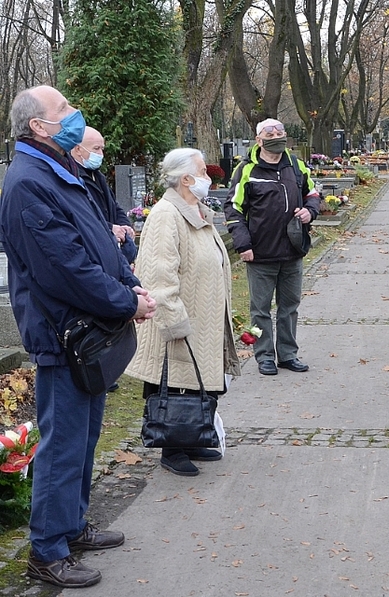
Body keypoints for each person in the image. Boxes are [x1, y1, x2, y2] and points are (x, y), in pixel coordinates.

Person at [0, 85, 156, 588]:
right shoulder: (28, 182)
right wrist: (125, 302)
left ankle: (72, 528)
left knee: (84, 440)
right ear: (39, 127)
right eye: (63, 109)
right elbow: (64, 270)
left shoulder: (60, 168)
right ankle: (46, 551)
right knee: (63, 445)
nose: (74, 114)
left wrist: (130, 283)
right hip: (64, 335)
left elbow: (98, 244)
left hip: (89, 330)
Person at [126, 148, 241, 476]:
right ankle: (171, 447)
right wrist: (174, 321)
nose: (209, 176)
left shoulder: (196, 211)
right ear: (186, 178)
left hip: (203, 319)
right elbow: (160, 275)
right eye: (203, 171)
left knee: (197, 383)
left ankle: (191, 438)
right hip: (179, 322)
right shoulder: (166, 215)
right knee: (174, 385)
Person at [224, 118, 321, 375]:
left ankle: (288, 354)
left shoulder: (296, 166)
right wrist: (243, 244)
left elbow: (312, 193)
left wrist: (310, 212)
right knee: (260, 311)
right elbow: (233, 208)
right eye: (270, 133)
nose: (276, 136)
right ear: (259, 139)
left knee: (289, 307)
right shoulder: (247, 170)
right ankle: (264, 355)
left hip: (293, 250)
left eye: (280, 132)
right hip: (260, 254)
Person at [72, 126, 137, 265]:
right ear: (78, 149)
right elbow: (82, 217)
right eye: (96, 149)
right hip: (92, 253)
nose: (101, 154)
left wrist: (124, 225)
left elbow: (113, 206)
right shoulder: (73, 177)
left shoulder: (97, 175)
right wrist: (109, 228)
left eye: (102, 149)